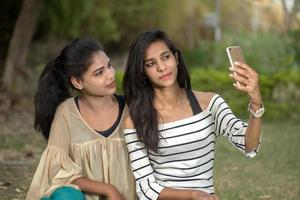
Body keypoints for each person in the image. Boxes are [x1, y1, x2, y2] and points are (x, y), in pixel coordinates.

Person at [122, 30, 263, 200]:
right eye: (150, 64)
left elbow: (249, 144)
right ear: (142, 72)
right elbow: (146, 188)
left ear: (177, 59)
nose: (161, 67)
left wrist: (256, 101)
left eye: (165, 57)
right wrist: (192, 195)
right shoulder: (136, 121)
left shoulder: (210, 104)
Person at [26, 37, 135, 200]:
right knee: (65, 196)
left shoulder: (131, 108)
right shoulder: (66, 113)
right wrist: (109, 189)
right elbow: (59, 172)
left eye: (109, 66)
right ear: (77, 82)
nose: (110, 75)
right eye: (99, 73)